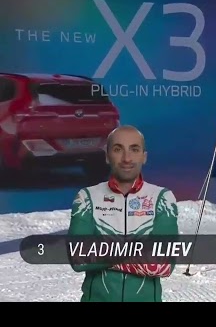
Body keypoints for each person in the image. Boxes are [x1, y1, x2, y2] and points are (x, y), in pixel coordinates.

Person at [68, 125, 179, 302]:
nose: (127, 158)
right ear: (106, 155)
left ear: (144, 156)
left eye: (134, 149)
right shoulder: (87, 197)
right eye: (118, 149)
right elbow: (79, 257)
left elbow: (163, 264)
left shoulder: (162, 198)